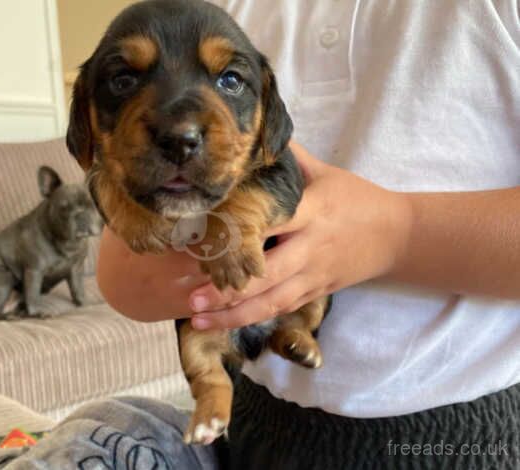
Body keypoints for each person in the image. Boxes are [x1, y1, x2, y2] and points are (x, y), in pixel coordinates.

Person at [95, 0, 520, 468]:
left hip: (468, 440)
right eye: (124, 80)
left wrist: (398, 233)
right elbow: (123, 278)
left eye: (230, 80)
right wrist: (152, 248)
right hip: (260, 426)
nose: (179, 126)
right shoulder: (225, 9)